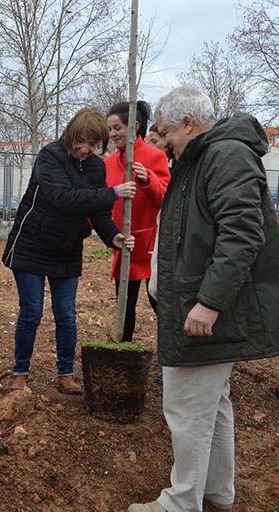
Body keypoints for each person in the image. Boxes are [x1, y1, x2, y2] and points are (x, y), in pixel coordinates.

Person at [126, 86, 279, 512]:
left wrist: (208, 303)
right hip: (193, 305)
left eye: (164, 132)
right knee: (214, 404)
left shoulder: (223, 156)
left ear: (187, 124)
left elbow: (242, 235)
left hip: (203, 310)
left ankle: (182, 503)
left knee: (187, 408)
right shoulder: (203, 158)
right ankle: (217, 491)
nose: (160, 141)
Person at [2, 108, 136, 394]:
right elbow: (64, 198)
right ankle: (20, 373)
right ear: (71, 135)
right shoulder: (49, 156)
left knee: (66, 314)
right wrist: (113, 193)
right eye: (81, 142)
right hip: (32, 244)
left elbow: (98, 210)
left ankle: (65, 374)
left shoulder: (96, 167)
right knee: (31, 312)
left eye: (93, 144)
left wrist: (113, 236)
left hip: (66, 248)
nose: (86, 149)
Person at [105, 101, 171, 342]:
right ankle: (123, 349)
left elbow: (164, 198)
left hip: (150, 246)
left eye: (117, 128)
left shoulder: (155, 157)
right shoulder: (108, 163)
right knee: (125, 306)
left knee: (159, 303)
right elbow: (103, 204)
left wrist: (148, 180)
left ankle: (172, 353)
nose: (112, 134)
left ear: (133, 126)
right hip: (124, 246)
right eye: (110, 129)